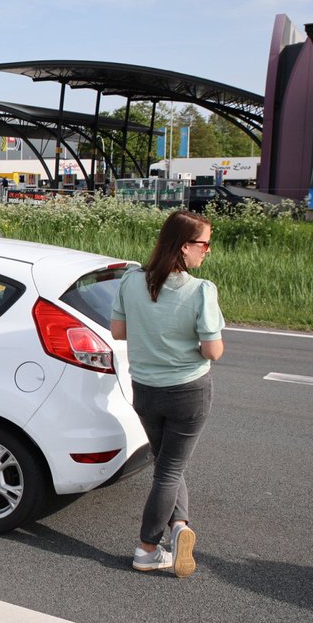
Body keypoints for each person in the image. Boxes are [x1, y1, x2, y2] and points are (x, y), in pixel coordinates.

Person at [111, 210, 224, 578]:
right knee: (169, 471)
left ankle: (179, 528)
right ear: (183, 246)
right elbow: (213, 351)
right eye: (203, 244)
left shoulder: (130, 281)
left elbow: (118, 331)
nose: (207, 251)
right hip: (188, 392)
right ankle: (146, 548)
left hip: (145, 389)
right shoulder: (200, 291)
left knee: (167, 464)